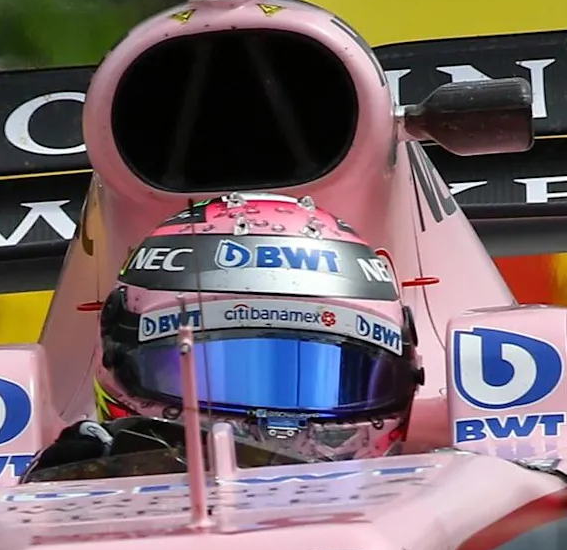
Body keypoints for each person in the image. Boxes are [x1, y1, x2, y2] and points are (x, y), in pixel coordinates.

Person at [33, 195, 420, 479]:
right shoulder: (68, 486)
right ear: (118, 357)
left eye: (333, 380)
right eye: (224, 372)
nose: (277, 435)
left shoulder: (454, 483)